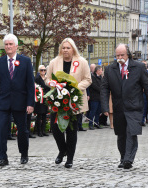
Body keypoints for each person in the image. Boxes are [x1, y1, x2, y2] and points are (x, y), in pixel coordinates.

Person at [101, 44, 148, 169]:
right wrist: (104, 107)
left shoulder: (139, 67)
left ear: (128, 55)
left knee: (131, 132)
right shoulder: (110, 69)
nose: (120, 57)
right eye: (117, 55)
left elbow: (147, 87)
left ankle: (128, 160)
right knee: (121, 134)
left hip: (134, 107)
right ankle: (123, 157)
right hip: (118, 107)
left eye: (122, 55)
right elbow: (104, 89)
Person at [46, 38, 91, 168]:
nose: (65, 50)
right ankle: (62, 150)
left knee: (71, 130)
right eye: (63, 48)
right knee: (55, 128)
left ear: (73, 49)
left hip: (74, 100)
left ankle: (69, 158)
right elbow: (47, 78)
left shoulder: (81, 62)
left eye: (68, 48)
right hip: (58, 100)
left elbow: (88, 80)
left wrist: (75, 87)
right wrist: (52, 83)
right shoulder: (54, 62)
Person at [0, 34, 35, 166]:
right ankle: (2, 157)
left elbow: (30, 84)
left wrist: (30, 103)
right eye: (6, 44)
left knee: (22, 130)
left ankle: (24, 154)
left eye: (11, 44)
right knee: (2, 131)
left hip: (20, 103)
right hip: (3, 103)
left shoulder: (26, 61)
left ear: (16, 46)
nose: (8, 47)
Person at [34, 65, 50, 137]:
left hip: (46, 99)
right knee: (39, 115)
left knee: (44, 115)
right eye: (41, 70)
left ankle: (43, 131)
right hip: (40, 99)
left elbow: (49, 87)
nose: (43, 71)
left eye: (44, 70)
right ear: (39, 71)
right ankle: (39, 131)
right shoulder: (37, 78)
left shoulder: (48, 78)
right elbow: (37, 88)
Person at [88, 66, 103, 130]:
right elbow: (94, 86)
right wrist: (101, 90)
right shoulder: (93, 77)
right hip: (94, 97)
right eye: (101, 70)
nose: (102, 71)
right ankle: (90, 124)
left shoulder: (101, 77)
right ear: (97, 71)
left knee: (98, 112)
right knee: (93, 111)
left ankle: (96, 123)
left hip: (100, 97)